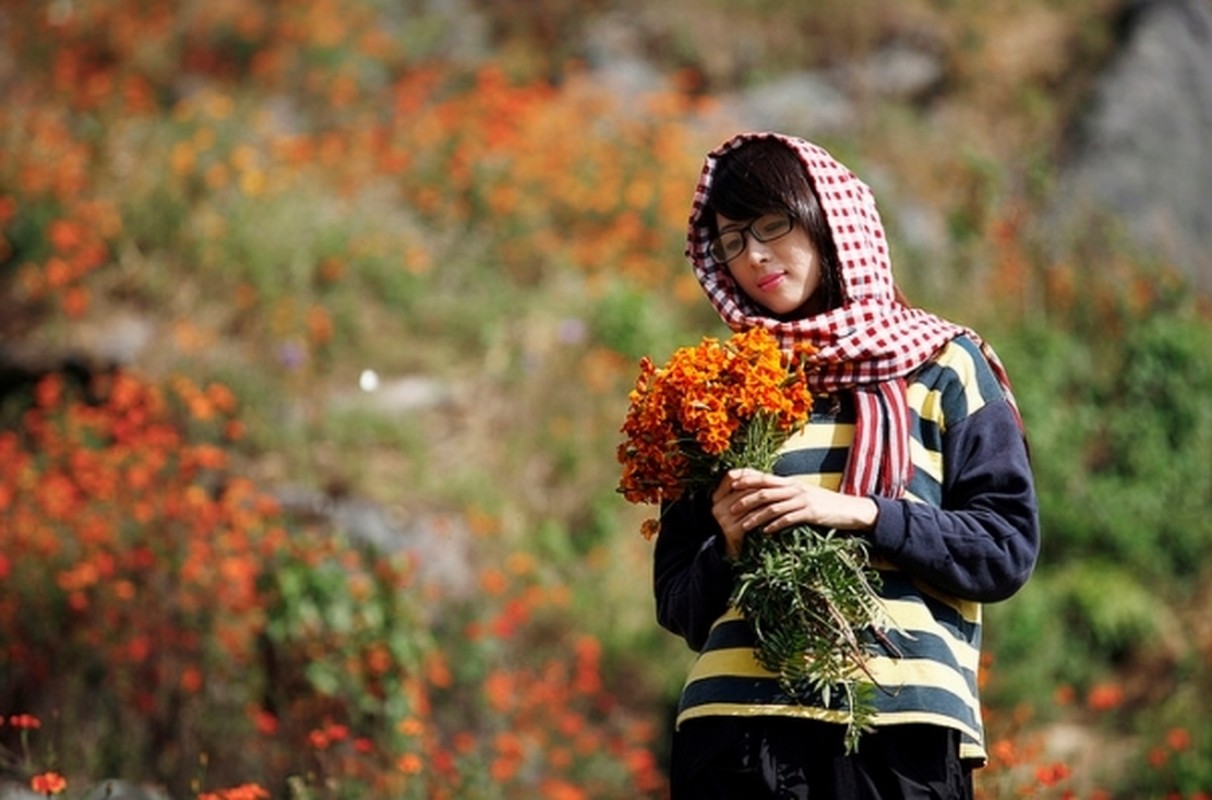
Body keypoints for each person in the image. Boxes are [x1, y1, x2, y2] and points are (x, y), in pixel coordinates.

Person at [653, 131, 1040, 799]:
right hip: (732, 741)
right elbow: (679, 604)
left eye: (773, 225)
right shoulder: (718, 390)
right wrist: (730, 540)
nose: (755, 256)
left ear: (828, 217)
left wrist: (864, 514)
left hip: (897, 733)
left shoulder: (944, 364)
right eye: (732, 242)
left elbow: (1004, 548)